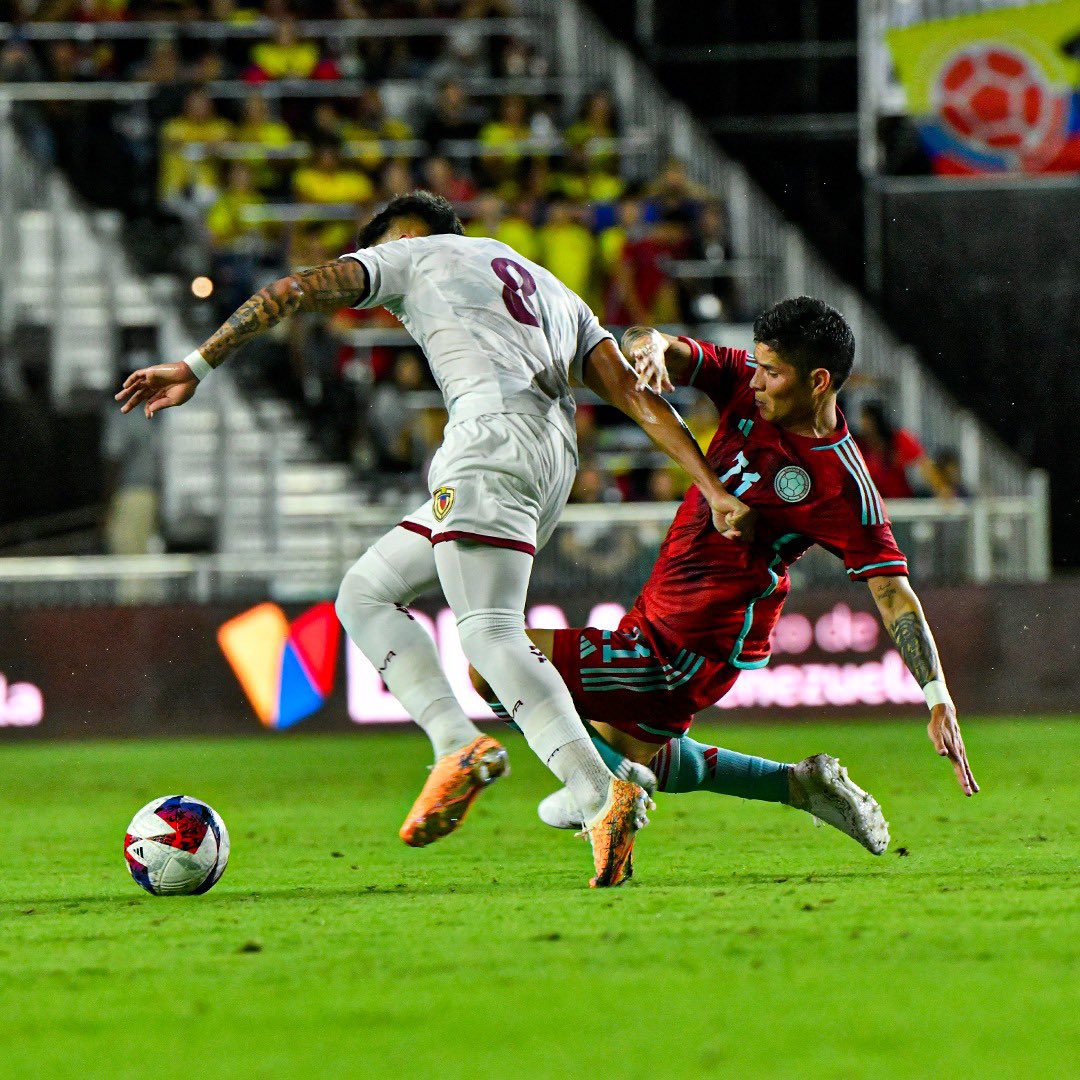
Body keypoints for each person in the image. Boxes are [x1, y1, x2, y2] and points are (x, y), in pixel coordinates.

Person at [115, 191, 755, 888]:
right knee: (364, 593)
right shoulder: (545, 283)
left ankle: (601, 793)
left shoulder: (414, 255)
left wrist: (196, 367)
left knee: (488, 634)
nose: (384, 297)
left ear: (407, 236)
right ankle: (456, 743)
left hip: (487, 446)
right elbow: (634, 395)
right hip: (549, 460)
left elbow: (289, 291)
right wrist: (710, 484)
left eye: (379, 249)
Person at [472, 299, 979, 854]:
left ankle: (600, 787)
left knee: (493, 668)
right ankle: (796, 785)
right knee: (630, 748)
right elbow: (661, 342)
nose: (757, 380)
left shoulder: (842, 483)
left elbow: (891, 591)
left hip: (692, 645)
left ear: (818, 381)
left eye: (773, 373)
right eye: (758, 366)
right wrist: (649, 346)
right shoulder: (748, 385)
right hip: (657, 618)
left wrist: (937, 697)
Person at [854, 400, 954, 499]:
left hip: (900, 501)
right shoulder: (858, 444)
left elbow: (924, 464)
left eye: (867, 421)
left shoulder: (899, 439)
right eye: (862, 420)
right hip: (872, 502)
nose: (863, 425)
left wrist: (941, 489)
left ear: (878, 422)